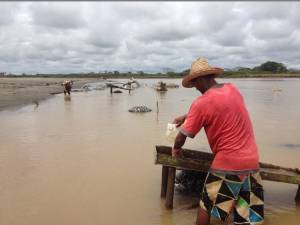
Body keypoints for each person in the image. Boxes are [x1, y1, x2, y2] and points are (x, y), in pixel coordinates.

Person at [172, 58, 264, 225]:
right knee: (246, 215)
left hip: (229, 163)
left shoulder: (201, 102)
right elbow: (219, 107)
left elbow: (181, 137)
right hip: (252, 160)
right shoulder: (232, 89)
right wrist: (187, 116)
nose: (196, 88)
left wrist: (176, 149)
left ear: (200, 79)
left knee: (206, 205)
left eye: (195, 84)